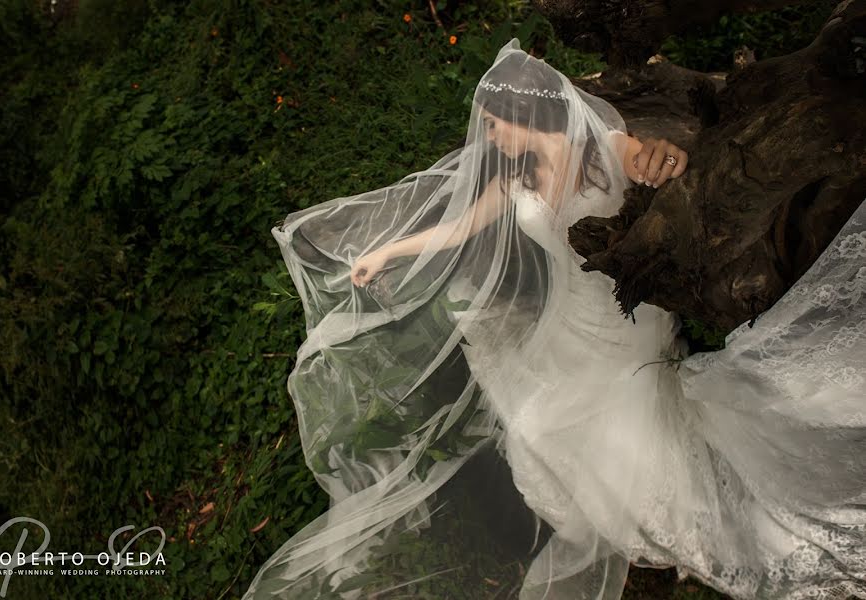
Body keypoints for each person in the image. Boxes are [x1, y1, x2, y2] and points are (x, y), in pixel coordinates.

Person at [243, 38, 866, 599]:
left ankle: (669, 515)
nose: (487, 137)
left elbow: (658, 158)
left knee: (612, 410)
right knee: (536, 419)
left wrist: (666, 162)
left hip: (622, 311)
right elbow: (459, 226)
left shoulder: (606, 148)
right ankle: (616, 510)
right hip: (568, 312)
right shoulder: (513, 173)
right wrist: (382, 252)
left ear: (523, 116)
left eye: (493, 124)